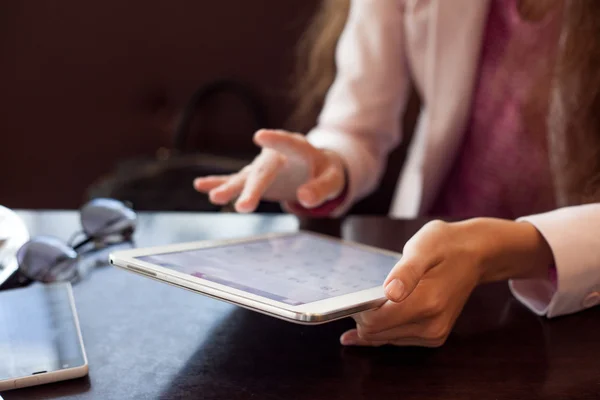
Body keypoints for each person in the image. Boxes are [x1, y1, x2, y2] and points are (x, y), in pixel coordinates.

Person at [194, 0, 600, 347]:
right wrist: (321, 165)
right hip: (427, 260)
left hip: (574, 284)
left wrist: (499, 250)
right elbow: (356, 127)